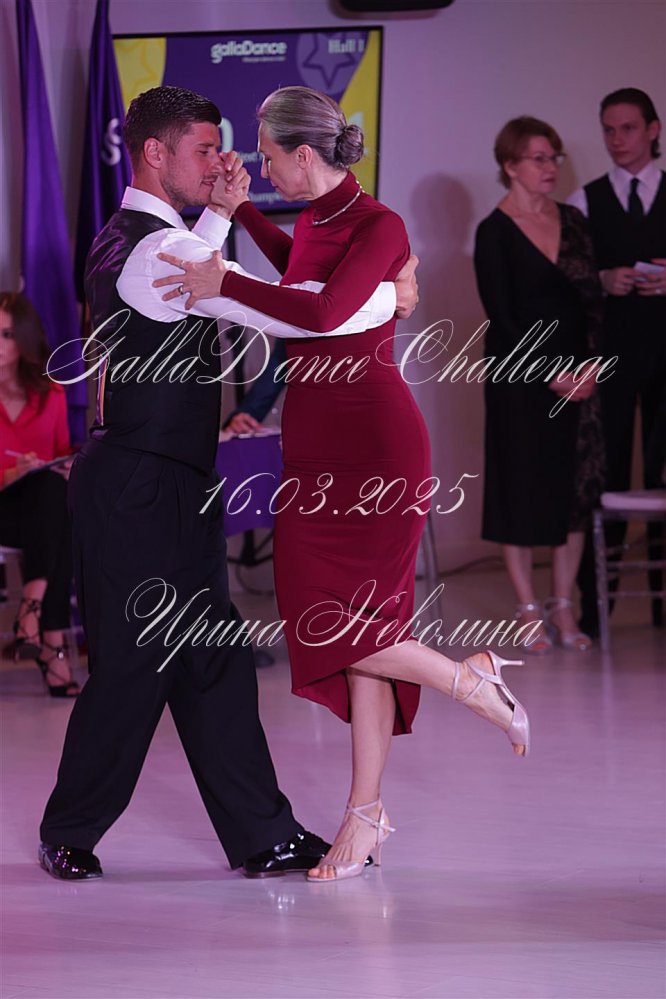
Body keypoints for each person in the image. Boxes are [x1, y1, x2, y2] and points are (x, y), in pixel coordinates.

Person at [38, 85, 418, 882]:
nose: (223, 163)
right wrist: (388, 293)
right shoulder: (150, 250)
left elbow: (224, 273)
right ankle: (68, 828)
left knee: (215, 659)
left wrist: (224, 213)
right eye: (206, 149)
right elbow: (282, 312)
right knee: (135, 663)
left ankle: (262, 834)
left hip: (177, 482)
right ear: (156, 153)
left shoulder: (160, 237)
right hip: (135, 486)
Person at [154, 86, 532, 884]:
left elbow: (322, 312)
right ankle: (398, 771)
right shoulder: (317, 221)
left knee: (353, 626)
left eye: (267, 158)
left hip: (375, 446)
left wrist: (222, 282)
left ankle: (396, 775)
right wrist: (243, 216)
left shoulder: (379, 225)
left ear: (303, 154)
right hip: (316, 447)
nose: (261, 169)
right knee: (332, 620)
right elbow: (300, 276)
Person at [473, 117, 606, 653]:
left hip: (580, 373)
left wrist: (591, 367)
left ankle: (564, 605)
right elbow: (501, 316)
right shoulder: (493, 231)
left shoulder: (574, 220)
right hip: (521, 379)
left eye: (555, 157)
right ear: (510, 166)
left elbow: (594, 300)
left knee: (574, 491)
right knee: (521, 488)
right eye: (539, 158)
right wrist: (549, 371)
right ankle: (528, 608)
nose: (551, 167)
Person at [568, 89, 666, 635]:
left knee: (663, 476)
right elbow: (571, 283)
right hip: (609, 357)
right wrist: (603, 280)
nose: (616, 139)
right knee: (601, 476)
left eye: (627, 128)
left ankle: (662, 608)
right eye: (608, 129)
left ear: (653, 130)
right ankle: (596, 611)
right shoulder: (585, 201)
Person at [0, 292, 78, 697]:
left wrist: (64, 466)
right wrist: (11, 473)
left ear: (25, 338)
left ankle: (32, 613)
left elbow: (61, 452)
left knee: (54, 491)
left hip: (40, 513)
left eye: (6, 334)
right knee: (57, 515)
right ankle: (51, 643)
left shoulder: (53, 394)